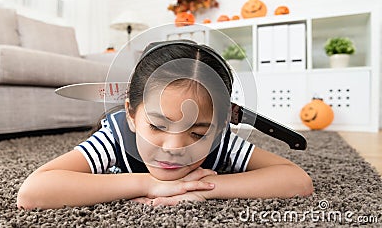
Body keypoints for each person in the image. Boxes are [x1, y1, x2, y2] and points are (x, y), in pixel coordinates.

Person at [17, 40, 313, 209]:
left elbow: (297, 180)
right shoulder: (116, 137)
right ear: (131, 115)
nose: (174, 148)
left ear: (222, 126)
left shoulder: (219, 141)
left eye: (197, 133)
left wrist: (199, 189)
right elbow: (33, 192)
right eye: (157, 126)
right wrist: (149, 183)